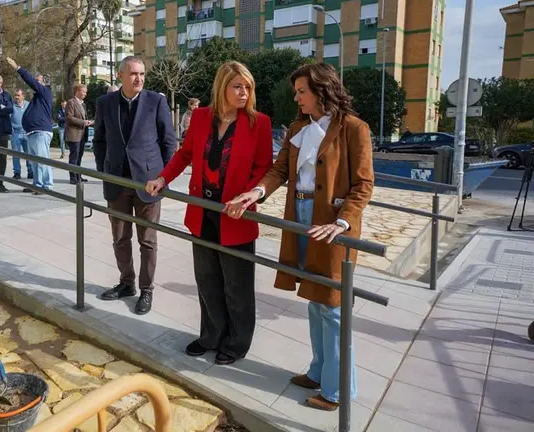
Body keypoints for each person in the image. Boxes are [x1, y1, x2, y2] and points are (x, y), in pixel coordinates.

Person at [225, 63, 374, 411]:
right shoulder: (297, 128)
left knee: (333, 306)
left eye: (301, 91)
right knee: (314, 299)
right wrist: (256, 192)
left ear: (322, 91)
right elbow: (279, 170)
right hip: (300, 218)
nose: (296, 98)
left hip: (332, 225)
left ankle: (337, 391)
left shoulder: (354, 128)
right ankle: (319, 371)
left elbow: (364, 184)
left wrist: (343, 222)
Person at [145, 61, 272, 365]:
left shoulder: (259, 122)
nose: (244, 92)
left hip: (236, 214)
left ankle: (237, 343)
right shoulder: (201, 117)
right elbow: (185, 154)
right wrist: (163, 178)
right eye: (237, 86)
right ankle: (211, 335)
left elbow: (263, 168)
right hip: (203, 211)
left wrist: (248, 195)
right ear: (222, 87)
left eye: (248, 87)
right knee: (207, 279)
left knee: (237, 284)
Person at [93, 56, 177, 315]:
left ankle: (147, 289)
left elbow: (168, 141)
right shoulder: (105, 103)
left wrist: (163, 177)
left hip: (149, 184)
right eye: (133, 74)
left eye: (141, 74)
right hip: (117, 182)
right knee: (120, 238)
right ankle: (126, 283)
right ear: (120, 76)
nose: (139, 78)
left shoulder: (156, 101)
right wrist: (105, 171)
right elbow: (99, 141)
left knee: (147, 240)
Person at [6, 57, 55, 194]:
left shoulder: (45, 92)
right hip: (33, 132)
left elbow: (30, 81)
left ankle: (46, 186)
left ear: (44, 83)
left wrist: (18, 68)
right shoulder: (38, 97)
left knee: (41, 160)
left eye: (38, 81)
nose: (35, 84)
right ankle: (37, 184)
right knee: (35, 161)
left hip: (40, 131)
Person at [65, 84, 94, 184]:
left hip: (82, 134)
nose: (85, 94)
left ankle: (78, 176)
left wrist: (88, 122)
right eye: (84, 92)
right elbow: (69, 118)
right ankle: (73, 178)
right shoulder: (71, 102)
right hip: (74, 134)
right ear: (77, 91)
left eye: (86, 92)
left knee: (79, 156)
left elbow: (83, 117)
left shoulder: (83, 104)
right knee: (74, 157)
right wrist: (83, 122)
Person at [11, 89, 33, 182]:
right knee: (16, 154)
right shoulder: (11, 105)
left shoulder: (29, 105)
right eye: (15, 95)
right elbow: (8, 118)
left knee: (29, 154)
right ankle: (17, 173)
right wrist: (11, 130)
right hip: (16, 133)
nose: (16, 97)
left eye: (18, 95)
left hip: (27, 133)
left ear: (23, 96)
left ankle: (31, 172)